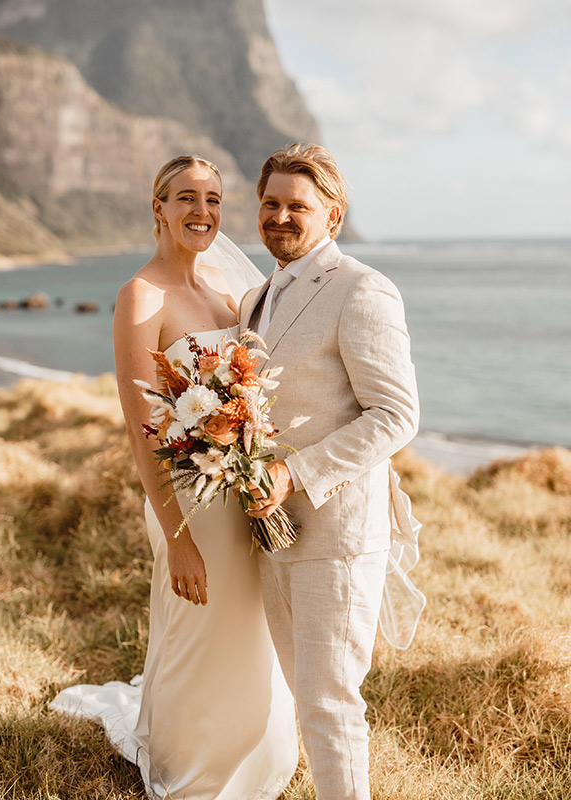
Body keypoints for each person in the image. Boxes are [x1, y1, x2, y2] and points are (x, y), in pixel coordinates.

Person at [50, 156, 299, 800]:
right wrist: (178, 535)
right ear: (158, 206)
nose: (203, 212)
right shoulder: (142, 296)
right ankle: (194, 768)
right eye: (186, 198)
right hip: (187, 500)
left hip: (240, 487)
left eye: (214, 200)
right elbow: (141, 426)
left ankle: (257, 752)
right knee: (200, 632)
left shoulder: (224, 286)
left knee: (252, 626)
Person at [240, 143, 421, 800]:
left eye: (298, 206)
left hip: (338, 534)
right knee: (302, 697)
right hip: (273, 533)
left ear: (332, 216)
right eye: (271, 203)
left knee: (331, 706)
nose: (281, 216)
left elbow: (396, 415)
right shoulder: (255, 299)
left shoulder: (361, 289)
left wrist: (294, 474)